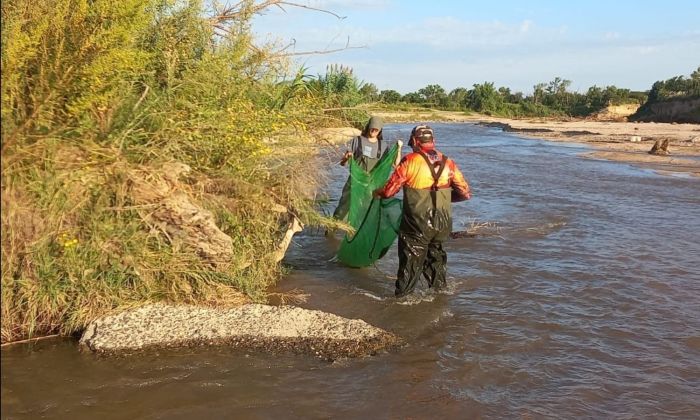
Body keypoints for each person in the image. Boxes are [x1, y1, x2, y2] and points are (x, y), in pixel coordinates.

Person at [373, 125, 471, 297]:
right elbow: (465, 193)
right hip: (442, 223)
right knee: (436, 259)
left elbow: (389, 191)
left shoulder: (410, 160)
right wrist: (445, 196)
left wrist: (375, 194)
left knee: (410, 263)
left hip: (417, 223)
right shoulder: (448, 162)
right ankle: (440, 295)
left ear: (415, 141)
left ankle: (403, 303)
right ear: (433, 141)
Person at [332, 116, 402, 221]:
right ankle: (332, 229)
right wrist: (346, 158)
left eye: (376, 129)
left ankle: (356, 232)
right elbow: (343, 163)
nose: (373, 131)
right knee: (344, 207)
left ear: (380, 130)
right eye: (372, 128)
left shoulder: (383, 146)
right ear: (368, 127)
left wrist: (399, 148)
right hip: (355, 182)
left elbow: (396, 166)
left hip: (372, 185)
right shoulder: (357, 140)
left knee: (367, 211)